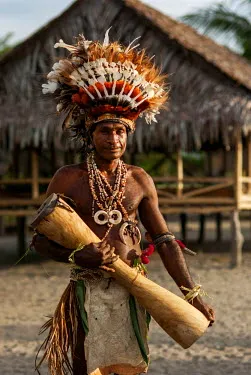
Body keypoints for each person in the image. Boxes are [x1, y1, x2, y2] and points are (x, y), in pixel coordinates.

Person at [33, 31, 215, 375]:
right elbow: (39, 240)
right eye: (105, 131)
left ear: (129, 133)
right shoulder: (68, 178)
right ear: (90, 132)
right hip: (87, 289)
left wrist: (192, 295)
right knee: (87, 367)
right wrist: (77, 255)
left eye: (120, 132)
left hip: (135, 289)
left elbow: (164, 240)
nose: (113, 138)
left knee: (131, 368)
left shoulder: (139, 179)